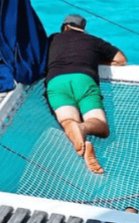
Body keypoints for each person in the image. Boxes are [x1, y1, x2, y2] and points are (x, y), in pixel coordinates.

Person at [45, 14, 127, 175]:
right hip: (84, 80)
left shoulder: (53, 38)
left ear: (65, 27)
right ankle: (83, 128)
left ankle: (78, 136)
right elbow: (121, 60)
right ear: (83, 29)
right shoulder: (93, 40)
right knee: (101, 127)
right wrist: (93, 60)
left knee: (68, 121)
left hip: (56, 81)